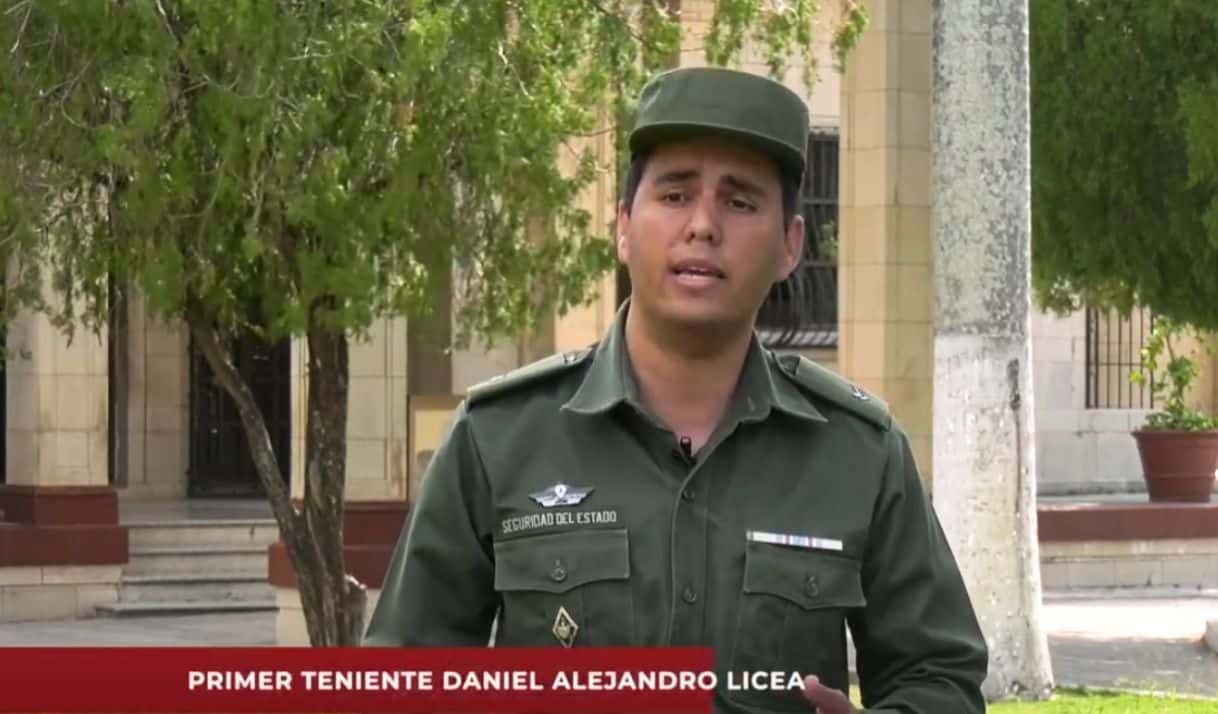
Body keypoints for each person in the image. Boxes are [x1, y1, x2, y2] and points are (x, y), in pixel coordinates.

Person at [364, 66, 989, 713]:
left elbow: (940, 675)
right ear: (623, 225)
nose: (703, 225)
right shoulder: (498, 438)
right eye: (674, 194)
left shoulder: (859, 453)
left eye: (740, 202)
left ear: (789, 245)